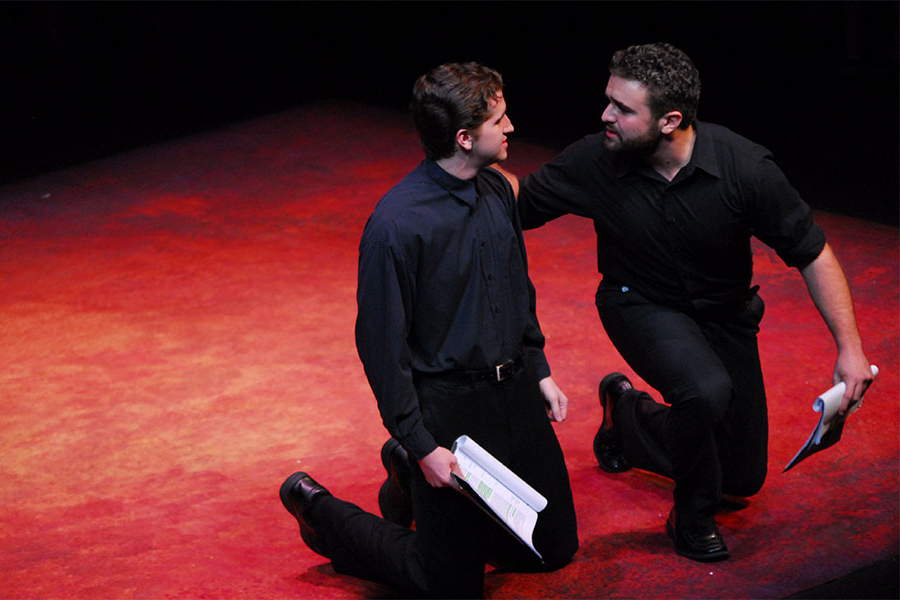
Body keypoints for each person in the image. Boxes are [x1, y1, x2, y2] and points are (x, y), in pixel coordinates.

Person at [513, 43, 872, 562]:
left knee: (743, 477)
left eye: (623, 108)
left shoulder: (744, 168)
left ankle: (629, 417)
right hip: (638, 302)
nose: (605, 115)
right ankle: (691, 515)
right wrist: (459, 164)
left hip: (725, 314)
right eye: (609, 100)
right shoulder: (597, 159)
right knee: (704, 390)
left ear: (670, 120)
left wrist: (850, 347)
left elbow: (812, 252)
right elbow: (518, 204)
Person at [279, 62, 578, 598]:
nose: (511, 128)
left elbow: (517, 290)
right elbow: (380, 345)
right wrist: (421, 444)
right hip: (451, 411)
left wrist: (538, 369)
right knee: (450, 583)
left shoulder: (498, 192)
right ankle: (323, 511)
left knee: (550, 550)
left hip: (512, 394)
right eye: (499, 119)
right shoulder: (397, 224)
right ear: (465, 138)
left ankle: (409, 481)